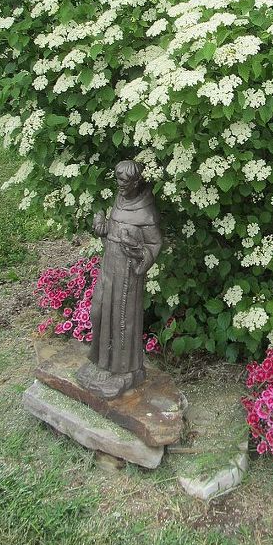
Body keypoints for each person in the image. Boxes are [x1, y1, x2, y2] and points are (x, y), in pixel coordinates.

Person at [76, 160, 162, 399]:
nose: (120, 185)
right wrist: (102, 227)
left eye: (124, 181)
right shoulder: (118, 200)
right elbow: (111, 233)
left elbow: (154, 244)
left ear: (136, 182)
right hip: (108, 266)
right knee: (99, 311)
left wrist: (137, 251)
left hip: (127, 274)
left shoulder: (146, 211)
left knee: (122, 320)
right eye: (118, 180)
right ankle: (100, 360)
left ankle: (121, 371)